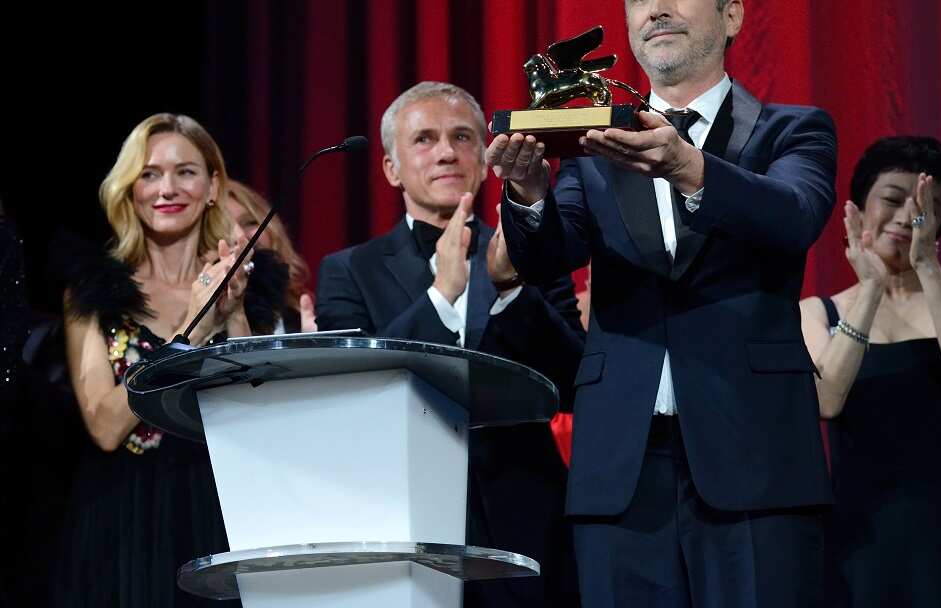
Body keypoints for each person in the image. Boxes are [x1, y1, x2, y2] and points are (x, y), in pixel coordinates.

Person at [488, 0, 837, 607]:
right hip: (622, 471)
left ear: (730, 13)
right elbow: (546, 256)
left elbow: (794, 216)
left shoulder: (791, 131)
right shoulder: (594, 138)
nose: (657, 8)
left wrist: (692, 167)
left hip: (754, 463)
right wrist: (526, 195)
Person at [316, 81, 584, 608]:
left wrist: (510, 288)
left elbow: (574, 382)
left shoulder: (532, 254)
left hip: (525, 518)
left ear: (485, 162)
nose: (446, 151)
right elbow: (352, 394)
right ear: (392, 169)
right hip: (398, 517)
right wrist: (440, 297)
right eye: (424, 139)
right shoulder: (348, 271)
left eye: (462, 137)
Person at [52, 113, 285, 607]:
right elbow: (106, 425)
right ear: (129, 188)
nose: (167, 189)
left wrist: (235, 313)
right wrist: (190, 334)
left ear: (214, 186)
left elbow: (256, 420)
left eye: (186, 171)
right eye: (150, 173)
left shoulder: (251, 286)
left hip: (219, 509)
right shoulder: (92, 291)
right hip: (120, 519)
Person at [799, 136, 941, 607]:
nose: (906, 218)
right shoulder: (816, 313)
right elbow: (824, 401)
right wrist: (872, 288)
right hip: (860, 542)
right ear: (859, 207)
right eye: (894, 200)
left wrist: (926, 265)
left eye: (927, 207)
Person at [225, 179, 316, 333]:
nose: (240, 236)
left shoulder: (301, 312)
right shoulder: (205, 318)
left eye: (250, 222)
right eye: (224, 227)